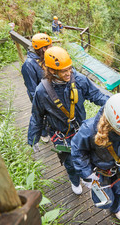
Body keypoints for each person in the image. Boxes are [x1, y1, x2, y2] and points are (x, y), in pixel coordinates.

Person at [27, 46, 110, 195]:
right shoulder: (42, 91)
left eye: (69, 68)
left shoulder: (78, 80)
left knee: (88, 156)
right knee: (70, 163)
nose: (68, 73)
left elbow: (96, 95)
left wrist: (114, 104)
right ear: (52, 71)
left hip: (81, 129)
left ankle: (88, 178)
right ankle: (74, 180)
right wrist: (33, 138)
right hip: (61, 134)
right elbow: (37, 115)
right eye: (64, 71)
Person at [21, 33, 52, 143]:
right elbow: (32, 87)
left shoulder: (44, 57)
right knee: (41, 114)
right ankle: (43, 133)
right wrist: (39, 102)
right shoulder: (29, 65)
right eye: (50, 46)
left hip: (49, 92)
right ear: (43, 49)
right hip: (39, 95)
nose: (51, 48)